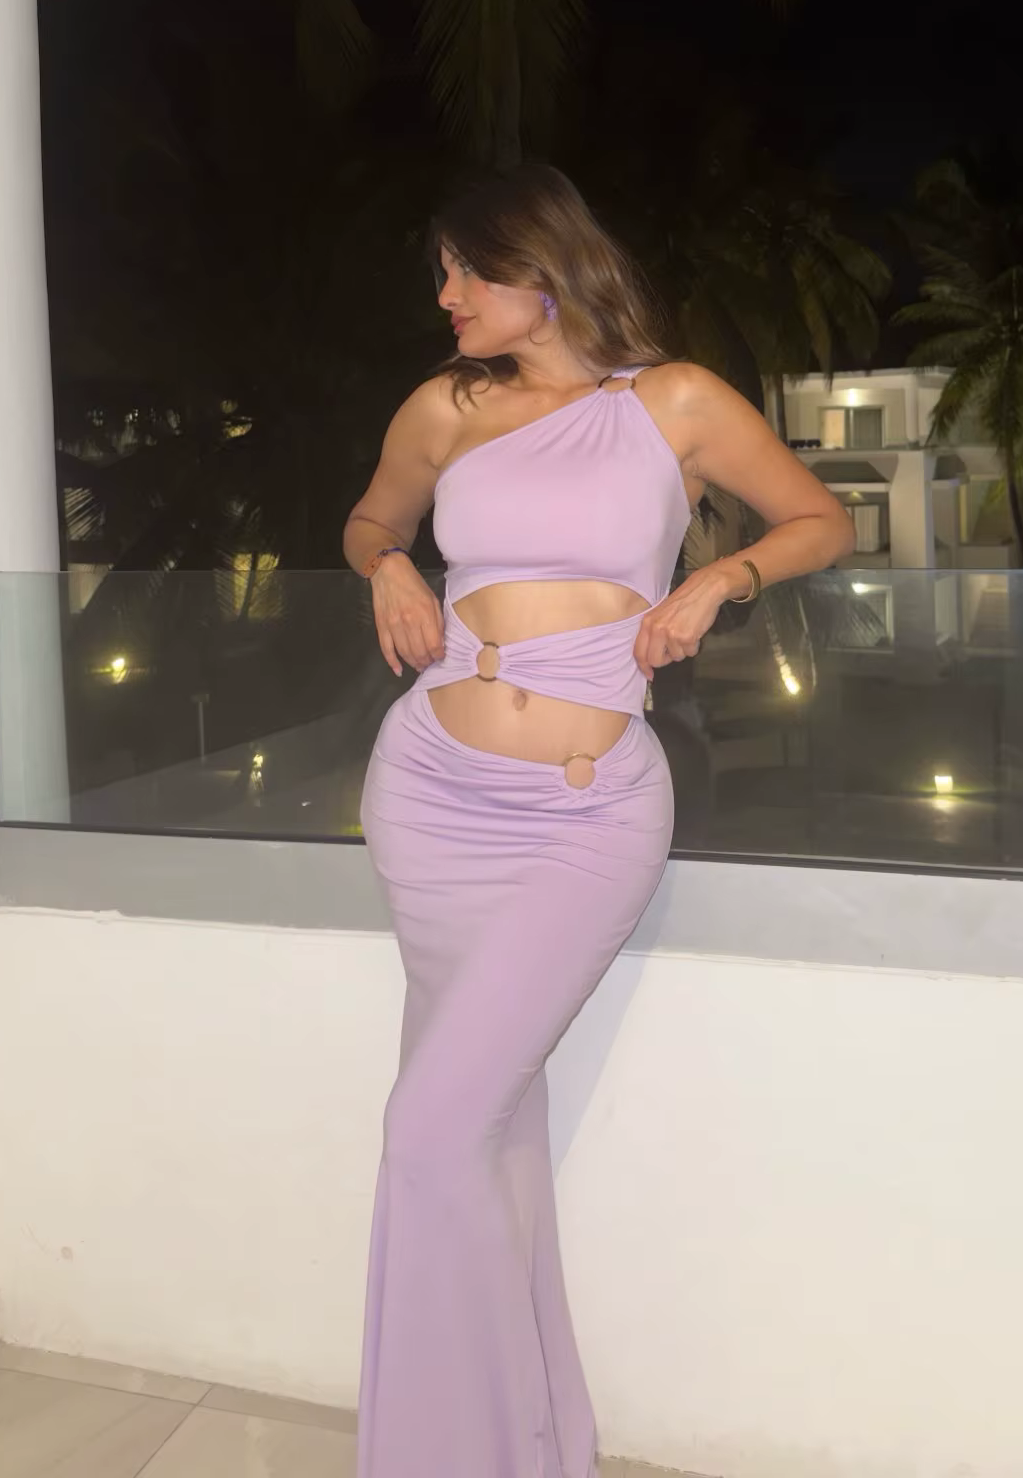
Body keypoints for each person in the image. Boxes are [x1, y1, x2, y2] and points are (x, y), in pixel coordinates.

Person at [343, 166, 853, 1477]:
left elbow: (821, 519)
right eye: (443, 274)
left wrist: (724, 578)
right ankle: (523, 1448)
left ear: (543, 268)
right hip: (431, 795)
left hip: (583, 817)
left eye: (467, 269)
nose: (447, 295)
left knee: (433, 1132)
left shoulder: (673, 402)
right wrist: (390, 563)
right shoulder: (447, 407)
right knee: (489, 1135)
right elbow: (369, 519)